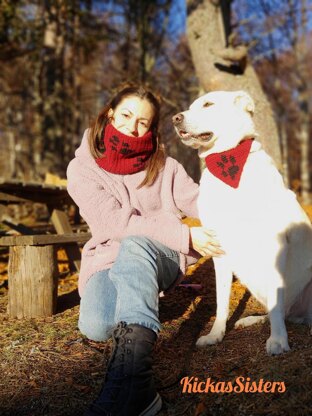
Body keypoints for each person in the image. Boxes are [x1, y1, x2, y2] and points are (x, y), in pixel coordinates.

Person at [66, 84, 224, 416]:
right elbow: (113, 222)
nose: (132, 126)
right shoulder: (81, 169)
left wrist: (236, 197)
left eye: (142, 122)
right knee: (96, 325)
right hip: (109, 259)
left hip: (161, 254)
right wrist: (187, 235)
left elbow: (200, 203)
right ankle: (138, 310)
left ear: (151, 128)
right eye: (126, 115)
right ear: (110, 113)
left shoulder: (164, 166)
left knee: (138, 245)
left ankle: (134, 385)